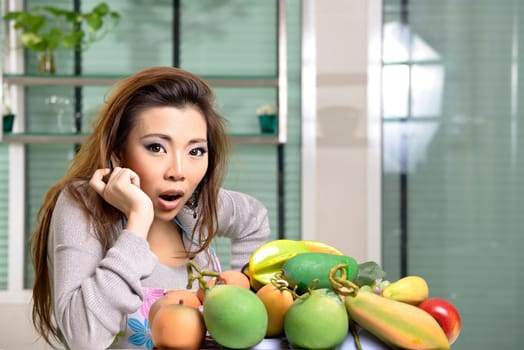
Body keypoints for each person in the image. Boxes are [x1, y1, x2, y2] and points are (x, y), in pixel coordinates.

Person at [30, 66, 271, 349]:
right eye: (157, 147)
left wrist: (242, 294)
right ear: (118, 152)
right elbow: (84, 339)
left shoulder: (194, 207)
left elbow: (253, 218)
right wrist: (137, 221)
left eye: (196, 151)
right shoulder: (82, 205)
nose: (178, 171)